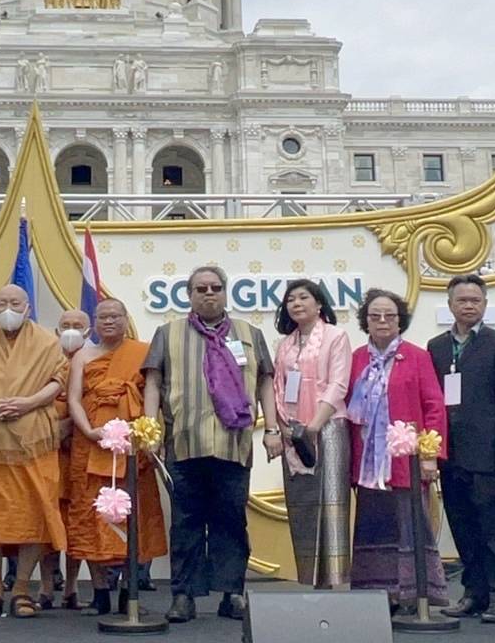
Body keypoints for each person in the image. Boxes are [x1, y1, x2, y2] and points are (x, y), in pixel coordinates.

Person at [143, 265, 280, 624]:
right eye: (200, 288)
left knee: (231, 521)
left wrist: (273, 429)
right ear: (189, 295)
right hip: (184, 444)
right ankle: (184, 596)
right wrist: (150, 429)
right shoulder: (167, 333)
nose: (209, 293)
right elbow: (154, 382)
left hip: (233, 445)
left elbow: (266, 382)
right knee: (186, 522)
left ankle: (232, 593)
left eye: (215, 287)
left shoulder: (249, 333)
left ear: (225, 292)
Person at [0, 284, 69, 620]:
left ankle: (21, 587)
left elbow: (58, 380)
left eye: (14, 302)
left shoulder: (47, 342)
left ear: (27, 307)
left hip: (34, 438)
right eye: (1, 302)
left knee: (34, 515)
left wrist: (28, 402)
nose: (8, 308)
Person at [346, 289, 449, 613]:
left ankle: (412, 595)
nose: (382, 321)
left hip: (407, 461)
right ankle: (377, 595)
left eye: (389, 315)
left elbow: (434, 406)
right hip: (368, 464)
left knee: (410, 526)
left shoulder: (417, 356)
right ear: (366, 320)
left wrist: (430, 453)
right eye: (375, 315)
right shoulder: (356, 359)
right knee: (374, 527)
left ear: (399, 320)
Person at [429, 273, 495, 623]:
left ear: (484, 304)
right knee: (463, 528)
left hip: (490, 453)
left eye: (475, 300)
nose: (469, 305)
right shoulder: (437, 346)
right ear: (451, 304)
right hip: (451, 454)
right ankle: (474, 592)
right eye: (462, 300)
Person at [67, 298, 168, 615]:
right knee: (92, 516)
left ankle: (129, 590)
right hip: (91, 445)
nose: (108, 321)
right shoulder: (82, 355)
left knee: (133, 516)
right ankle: (99, 593)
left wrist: (148, 437)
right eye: (102, 317)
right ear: (94, 323)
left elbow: (154, 395)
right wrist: (89, 431)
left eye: (115, 315)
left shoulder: (143, 351)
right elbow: (74, 400)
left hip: (133, 447)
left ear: (126, 318)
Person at [271, 279, 352, 589]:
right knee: (301, 504)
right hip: (294, 432)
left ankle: (335, 581)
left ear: (319, 304)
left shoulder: (336, 336)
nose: (296, 304)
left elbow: (338, 384)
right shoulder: (285, 344)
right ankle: (308, 580)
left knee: (330, 502)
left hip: (327, 427)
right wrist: (286, 430)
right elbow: (278, 388)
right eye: (290, 299)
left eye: (304, 297)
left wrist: (314, 426)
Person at [48, 309, 93, 609]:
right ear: (55, 330)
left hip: (83, 450)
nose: (71, 330)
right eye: (65, 325)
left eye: (78, 326)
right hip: (47, 450)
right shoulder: (45, 360)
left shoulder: (94, 360)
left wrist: (71, 426)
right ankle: (48, 584)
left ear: (89, 332)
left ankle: (73, 587)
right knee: (48, 518)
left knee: (76, 519)